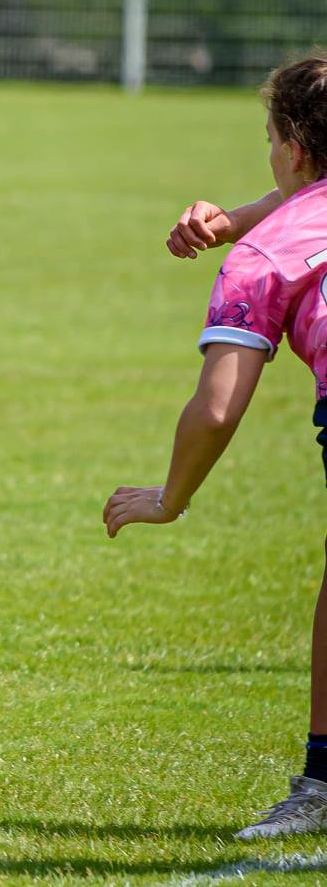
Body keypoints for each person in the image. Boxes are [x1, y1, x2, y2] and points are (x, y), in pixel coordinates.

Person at [117, 56, 327, 840]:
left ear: (293, 149)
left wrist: (169, 498)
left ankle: (322, 783)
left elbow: (215, 408)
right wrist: (233, 219)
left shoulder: (263, 259)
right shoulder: (271, 228)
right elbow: (302, 201)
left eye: (269, 138)